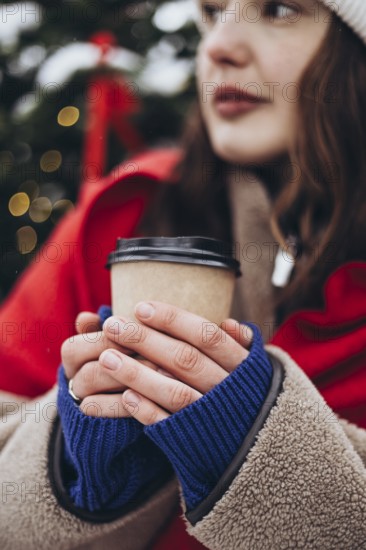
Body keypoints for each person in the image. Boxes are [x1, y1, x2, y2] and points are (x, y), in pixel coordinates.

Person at [1, 0, 366, 548]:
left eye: (280, 9)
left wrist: (266, 450)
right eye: (215, 11)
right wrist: (68, 464)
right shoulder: (122, 214)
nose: (219, 46)